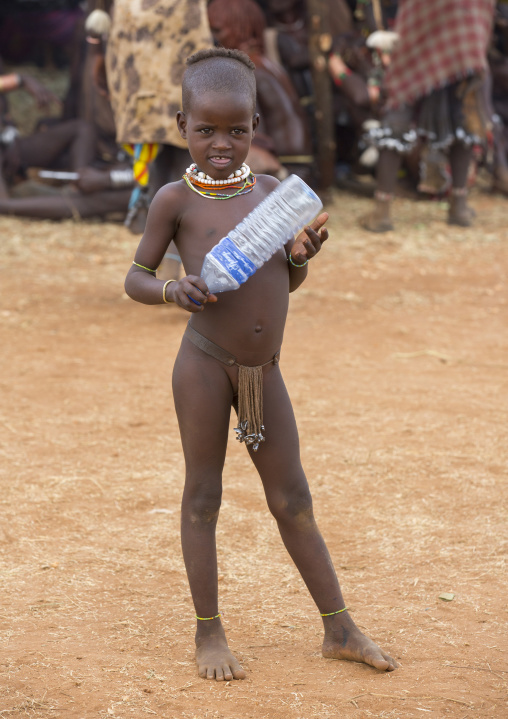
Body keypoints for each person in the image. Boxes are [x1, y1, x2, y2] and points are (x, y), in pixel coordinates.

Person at [124, 47, 398, 681]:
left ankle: (340, 628)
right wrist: (172, 290)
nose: (222, 143)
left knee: (293, 497)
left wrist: (302, 256)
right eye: (206, 130)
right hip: (203, 365)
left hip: (263, 370)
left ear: (254, 127)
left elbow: (284, 284)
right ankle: (209, 633)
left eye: (237, 130)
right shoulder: (174, 200)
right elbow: (136, 277)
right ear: (182, 124)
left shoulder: (275, 197)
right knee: (203, 497)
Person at [361, 0, 495, 232]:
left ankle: (382, 211)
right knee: (462, 118)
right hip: (466, 40)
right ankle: (459, 206)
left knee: (398, 113)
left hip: (423, 36)